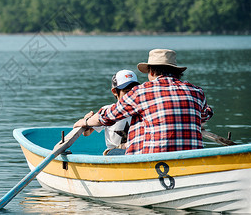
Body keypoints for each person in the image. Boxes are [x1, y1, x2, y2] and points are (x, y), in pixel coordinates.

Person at [75, 49, 213, 155]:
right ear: (176, 72)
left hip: (154, 159)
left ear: (151, 72)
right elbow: (206, 115)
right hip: (192, 158)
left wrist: (85, 122)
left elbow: (107, 116)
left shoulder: (141, 92)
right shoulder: (197, 92)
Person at [80, 69, 140, 155]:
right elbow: (87, 133)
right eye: (126, 92)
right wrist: (87, 120)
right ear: (115, 91)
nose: (130, 95)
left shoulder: (140, 110)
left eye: (133, 91)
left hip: (134, 151)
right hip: (114, 152)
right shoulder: (107, 111)